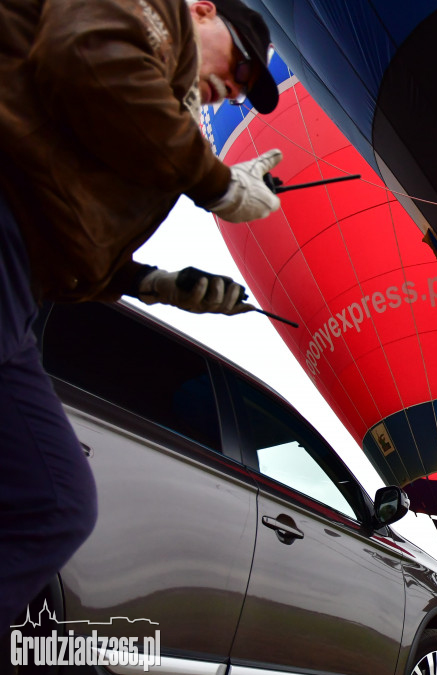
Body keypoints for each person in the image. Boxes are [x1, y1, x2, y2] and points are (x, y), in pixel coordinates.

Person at [0, 0, 284, 627]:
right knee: (52, 504)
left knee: (57, 505)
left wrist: (160, 283)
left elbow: (78, 252)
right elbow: (81, 56)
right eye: (237, 63)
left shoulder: (157, 132)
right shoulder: (157, 17)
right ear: (204, 11)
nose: (232, 88)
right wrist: (215, 184)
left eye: (241, 89)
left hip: (23, 287)